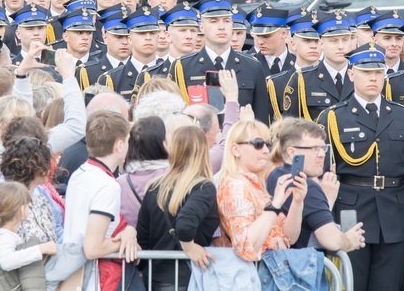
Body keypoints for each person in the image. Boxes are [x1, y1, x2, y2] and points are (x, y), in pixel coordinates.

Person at [317, 42, 404, 291]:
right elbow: (323, 176)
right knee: (350, 284)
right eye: (366, 72)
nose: (373, 78)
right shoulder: (332, 117)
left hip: (393, 217)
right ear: (351, 73)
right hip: (350, 216)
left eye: (378, 72)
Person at [137, 126, 220, 290]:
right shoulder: (203, 188)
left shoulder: (154, 187)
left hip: (155, 278)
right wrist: (189, 247)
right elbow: (184, 226)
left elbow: (142, 238)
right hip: (187, 279)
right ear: (203, 151)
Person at [63, 110, 138, 290]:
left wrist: (128, 231)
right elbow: (92, 248)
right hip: (95, 279)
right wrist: (126, 240)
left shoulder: (80, 174)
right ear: (119, 145)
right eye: (128, 141)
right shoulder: (107, 185)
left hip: (76, 275)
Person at [266, 118, 364, 252]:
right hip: (303, 267)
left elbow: (307, 224)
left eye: (323, 148)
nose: (322, 154)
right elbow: (331, 240)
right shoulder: (309, 187)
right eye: (314, 149)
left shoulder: (275, 175)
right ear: (292, 152)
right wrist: (349, 240)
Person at [173, 0, 271, 123]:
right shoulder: (182, 67)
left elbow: (262, 120)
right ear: (201, 26)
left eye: (226, 21)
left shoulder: (252, 66)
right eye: (214, 21)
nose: (221, 27)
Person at [216, 120, 306, 261]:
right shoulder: (235, 185)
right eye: (258, 144)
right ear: (235, 150)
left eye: (267, 144)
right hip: (252, 276)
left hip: (267, 274)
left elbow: (288, 237)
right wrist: (275, 205)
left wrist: (297, 201)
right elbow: (246, 246)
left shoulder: (254, 184)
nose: (265, 150)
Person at [273, 12, 353, 122]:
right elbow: (292, 127)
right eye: (333, 41)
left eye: (345, 39)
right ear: (321, 44)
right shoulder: (303, 80)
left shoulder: (363, 75)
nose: (341, 47)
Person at [0, 182, 57, 279]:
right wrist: (40, 249)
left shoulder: (6, 234)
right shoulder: (4, 236)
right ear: (22, 210)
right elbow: (6, 261)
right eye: (28, 205)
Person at [0, 135, 59, 244]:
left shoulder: (40, 197)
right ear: (33, 168)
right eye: (44, 163)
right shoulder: (11, 204)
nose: (49, 168)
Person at [117, 116, 169, 229]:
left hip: (130, 244)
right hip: (165, 245)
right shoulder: (172, 177)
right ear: (161, 144)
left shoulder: (119, 184)